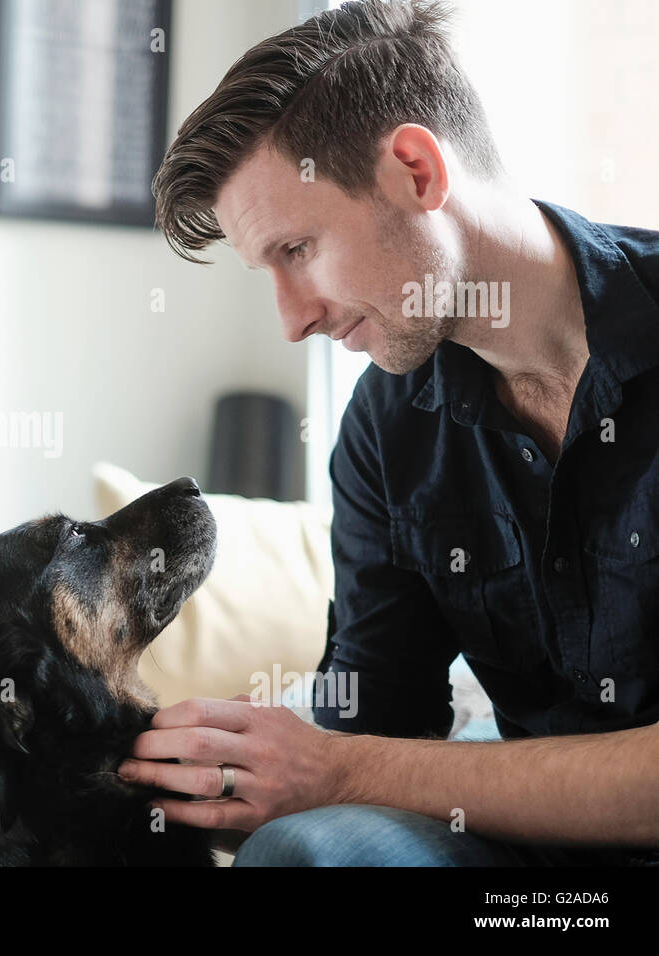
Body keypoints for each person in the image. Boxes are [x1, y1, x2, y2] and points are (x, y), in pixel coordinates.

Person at [114, 0, 659, 865]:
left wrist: (341, 766)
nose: (291, 322)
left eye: (297, 249)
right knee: (312, 853)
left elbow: (353, 762)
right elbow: (374, 722)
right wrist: (127, 747)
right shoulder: (384, 427)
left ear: (415, 169)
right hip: (529, 861)